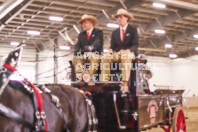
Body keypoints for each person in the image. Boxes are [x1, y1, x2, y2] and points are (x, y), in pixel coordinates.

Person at [101, 9, 139, 91]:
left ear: (127, 18)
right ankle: (105, 82)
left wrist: (127, 50)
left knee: (125, 56)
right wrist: (110, 50)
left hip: (129, 53)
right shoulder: (115, 32)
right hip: (118, 54)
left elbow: (135, 44)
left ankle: (125, 82)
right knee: (105, 57)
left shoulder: (133, 30)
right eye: (118, 17)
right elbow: (112, 45)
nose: (119, 19)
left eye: (121, 17)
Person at [73, 14, 103, 85]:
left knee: (95, 58)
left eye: (85, 22)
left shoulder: (98, 32)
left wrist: (91, 48)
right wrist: (76, 52)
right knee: (76, 59)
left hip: (95, 54)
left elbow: (98, 42)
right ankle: (82, 78)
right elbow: (78, 45)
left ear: (91, 23)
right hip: (84, 55)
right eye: (83, 23)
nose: (84, 24)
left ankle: (87, 77)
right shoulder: (81, 35)